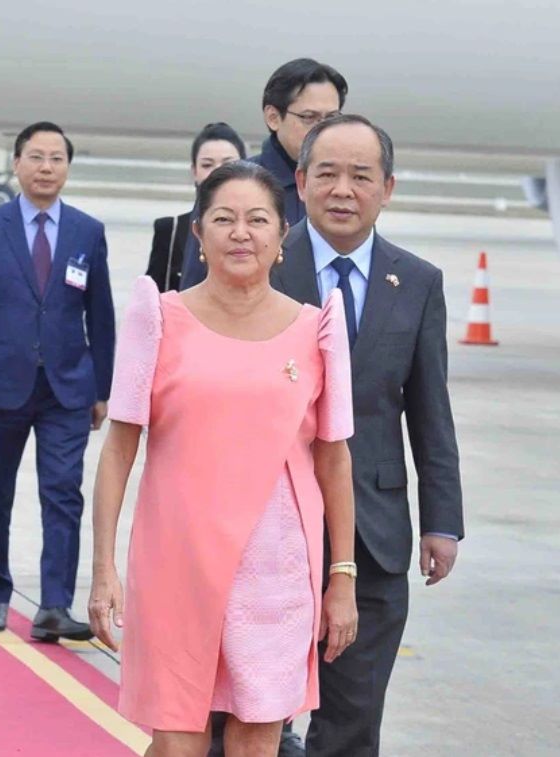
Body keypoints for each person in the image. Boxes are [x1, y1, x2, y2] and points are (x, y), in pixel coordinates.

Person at [89, 160, 359, 757]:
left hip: (277, 571)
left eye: (258, 219)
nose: (242, 233)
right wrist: (104, 567)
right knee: (178, 739)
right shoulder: (158, 317)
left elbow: (334, 461)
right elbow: (118, 452)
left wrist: (342, 577)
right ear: (199, 234)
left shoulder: (317, 329)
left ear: (281, 236)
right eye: (224, 219)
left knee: (257, 740)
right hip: (176, 561)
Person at [277, 114, 463, 756]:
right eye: (326, 173)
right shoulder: (260, 265)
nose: (343, 190)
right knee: (246, 719)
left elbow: (429, 410)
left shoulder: (416, 282)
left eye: (361, 176)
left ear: (388, 187)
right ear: (300, 182)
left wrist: (443, 520)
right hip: (269, 526)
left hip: (374, 535)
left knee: (353, 724)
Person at [0, 121, 115, 640]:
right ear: (17, 164)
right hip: (0, 386)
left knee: (63, 494)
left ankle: (54, 604)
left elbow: (101, 314)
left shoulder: (86, 231)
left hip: (66, 388)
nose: (46, 167)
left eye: (56, 158)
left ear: (67, 168)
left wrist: (102, 389)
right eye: (36, 157)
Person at [181, 58, 347, 293]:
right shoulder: (231, 184)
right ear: (273, 117)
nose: (322, 130)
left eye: (331, 119)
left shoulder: (345, 189)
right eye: (309, 118)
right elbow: (196, 283)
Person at [145, 122, 245, 292]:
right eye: (207, 165)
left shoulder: (258, 229)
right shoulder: (171, 231)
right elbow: (151, 300)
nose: (217, 172)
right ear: (194, 171)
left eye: (228, 163)